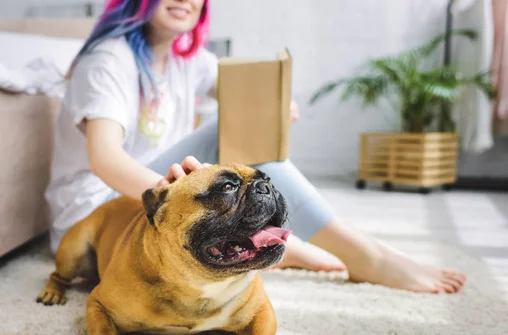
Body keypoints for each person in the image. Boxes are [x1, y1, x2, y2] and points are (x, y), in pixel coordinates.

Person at [44, 0, 466, 294]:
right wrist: (173, 194)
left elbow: (250, 98)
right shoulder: (108, 60)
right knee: (228, 130)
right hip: (98, 214)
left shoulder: (186, 59)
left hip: (154, 203)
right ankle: (366, 256)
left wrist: (276, 108)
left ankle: (308, 245)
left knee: (245, 131)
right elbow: (105, 159)